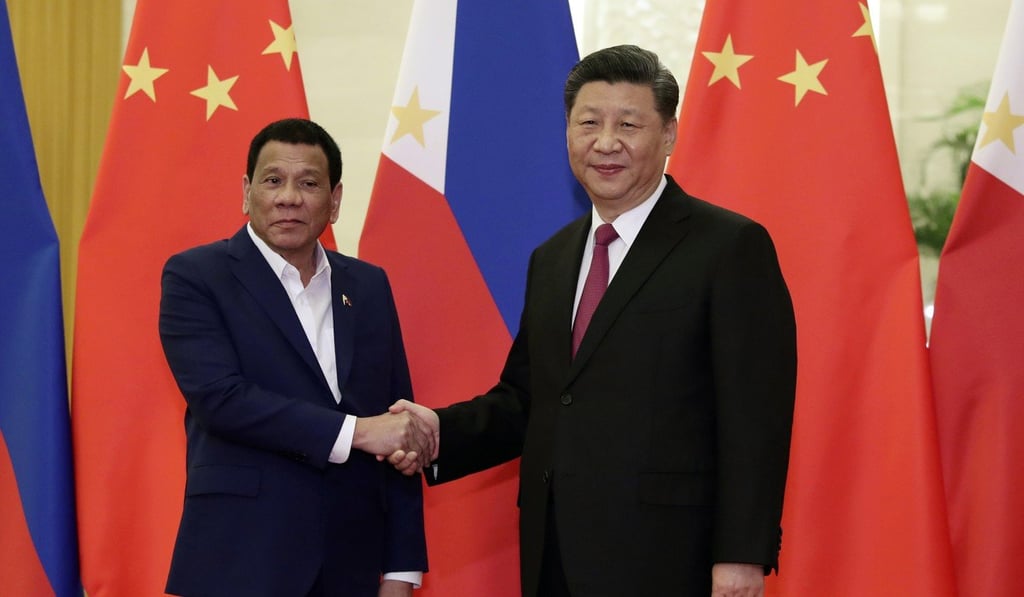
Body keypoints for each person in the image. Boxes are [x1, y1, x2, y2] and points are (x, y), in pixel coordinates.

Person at [390, 45, 797, 597]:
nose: (606, 143)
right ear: (567, 133)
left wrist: (741, 556)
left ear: (669, 134)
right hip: (553, 552)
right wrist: (438, 432)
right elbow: (531, 399)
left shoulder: (729, 247)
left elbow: (755, 417)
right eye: (588, 123)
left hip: (671, 556)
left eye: (628, 124)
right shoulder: (553, 257)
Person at [159, 118, 432, 597]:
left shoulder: (368, 286)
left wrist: (401, 570)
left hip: (350, 564)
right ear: (246, 192)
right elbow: (221, 400)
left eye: (308, 183)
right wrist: (358, 431)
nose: (289, 197)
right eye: (272, 180)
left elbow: (397, 425)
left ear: (335, 199)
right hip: (239, 562)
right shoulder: (196, 277)